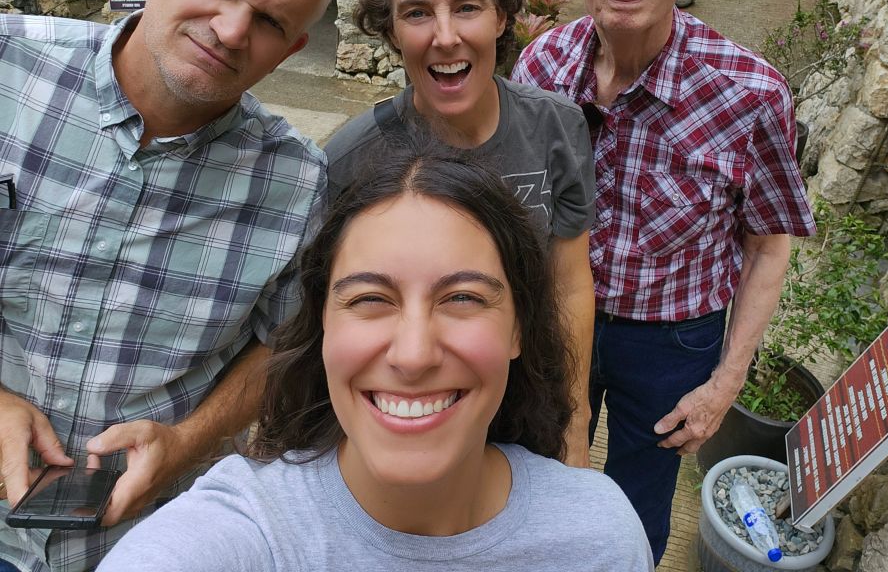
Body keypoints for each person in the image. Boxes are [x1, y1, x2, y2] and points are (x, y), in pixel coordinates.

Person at [0, 0, 354, 572]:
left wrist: (187, 442)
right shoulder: (10, 68)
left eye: (270, 22)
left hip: (150, 544)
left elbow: (285, 342)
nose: (230, 30)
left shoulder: (293, 183)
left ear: (291, 51)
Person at [96, 140, 654, 571]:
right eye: (369, 299)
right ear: (323, 325)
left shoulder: (597, 537)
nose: (413, 354)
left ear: (518, 330)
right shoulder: (246, 531)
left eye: (463, 298)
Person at [513, 0, 816, 564]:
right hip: (555, 318)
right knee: (542, 481)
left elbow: (768, 246)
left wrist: (725, 385)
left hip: (672, 340)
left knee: (639, 507)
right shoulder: (540, 68)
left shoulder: (749, 95)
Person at [323, 0, 597, 468]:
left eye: (467, 7)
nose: (445, 37)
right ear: (390, 30)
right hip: (412, 414)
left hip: (527, 415)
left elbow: (569, 284)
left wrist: (574, 423)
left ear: (502, 16)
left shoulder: (556, 129)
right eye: (417, 13)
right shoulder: (352, 163)